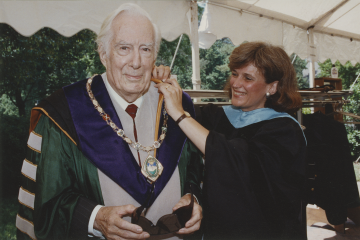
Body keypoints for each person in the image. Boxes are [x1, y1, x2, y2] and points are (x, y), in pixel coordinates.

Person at [16, 3, 203, 240]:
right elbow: (47, 202)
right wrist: (94, 217)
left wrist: (194, 199)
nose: (136, 62)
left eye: (145, 49)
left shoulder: (178, 107)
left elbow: (196, 174)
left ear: (154, 55)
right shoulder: (64, 114)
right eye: (124, 48)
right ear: (103, 54)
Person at [156, 42, 307, 239]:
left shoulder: (285, 131)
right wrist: (160, 81)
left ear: (272, 86)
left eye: (248, 78)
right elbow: (178, 112)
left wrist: (181, 115)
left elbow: (237, 162)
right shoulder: (218, 116)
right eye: (235, 74)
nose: (236, 83)